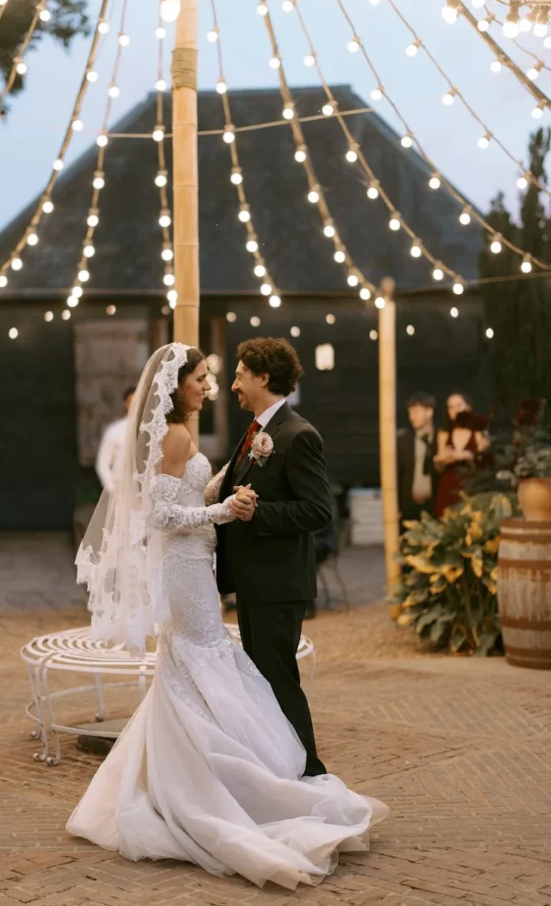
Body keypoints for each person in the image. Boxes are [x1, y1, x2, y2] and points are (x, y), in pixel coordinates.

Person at [68, 343, 387, 889]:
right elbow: (164, 511)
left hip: (231, 574)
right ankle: (244, 782)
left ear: (264, 377)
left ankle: (272, 775)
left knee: (225, 669)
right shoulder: (181, 436)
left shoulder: (282, 433)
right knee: (206, 664)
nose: (218, 385)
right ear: (178, 386)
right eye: (204, 377)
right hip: (189, 567)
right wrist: (221, 508)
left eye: (232, 376)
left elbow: (302, 508)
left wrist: (223, 495)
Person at [215, 337, 331, 777]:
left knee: (279, 678)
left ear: (264, 377)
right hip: (254, 580)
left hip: (278, 584)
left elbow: (318, 510)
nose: (233, 385)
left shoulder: (298, 435)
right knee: (265, 679)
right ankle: (281, 768)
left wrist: (258, 511)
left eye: (241, 374)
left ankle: (310, 773)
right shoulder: (256, 433)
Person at [434, 391, 490, 517]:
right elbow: (439, 468)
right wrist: (441, 460)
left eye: (458, 406)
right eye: (451, 407)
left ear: (468, 408)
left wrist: (468, 455)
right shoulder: (444, 434)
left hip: (472, 485)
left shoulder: (479, 433)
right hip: (449, 485)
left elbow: (485, 462)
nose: (455, 410)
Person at [397, 392, 438, 524]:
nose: (411, 417)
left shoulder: (441, 437)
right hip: (410, 505)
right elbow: (398, 474)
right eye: (409, 413)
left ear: (429, 412)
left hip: (436, 504)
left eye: (416, 412)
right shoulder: (404, 440)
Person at [95, 386, 136, 494]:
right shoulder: (115, 430)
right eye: (132, 401)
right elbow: (103, 463)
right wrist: (113, 490)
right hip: (122, 490)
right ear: (125, 403)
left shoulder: (153, 430)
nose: (135, 405)